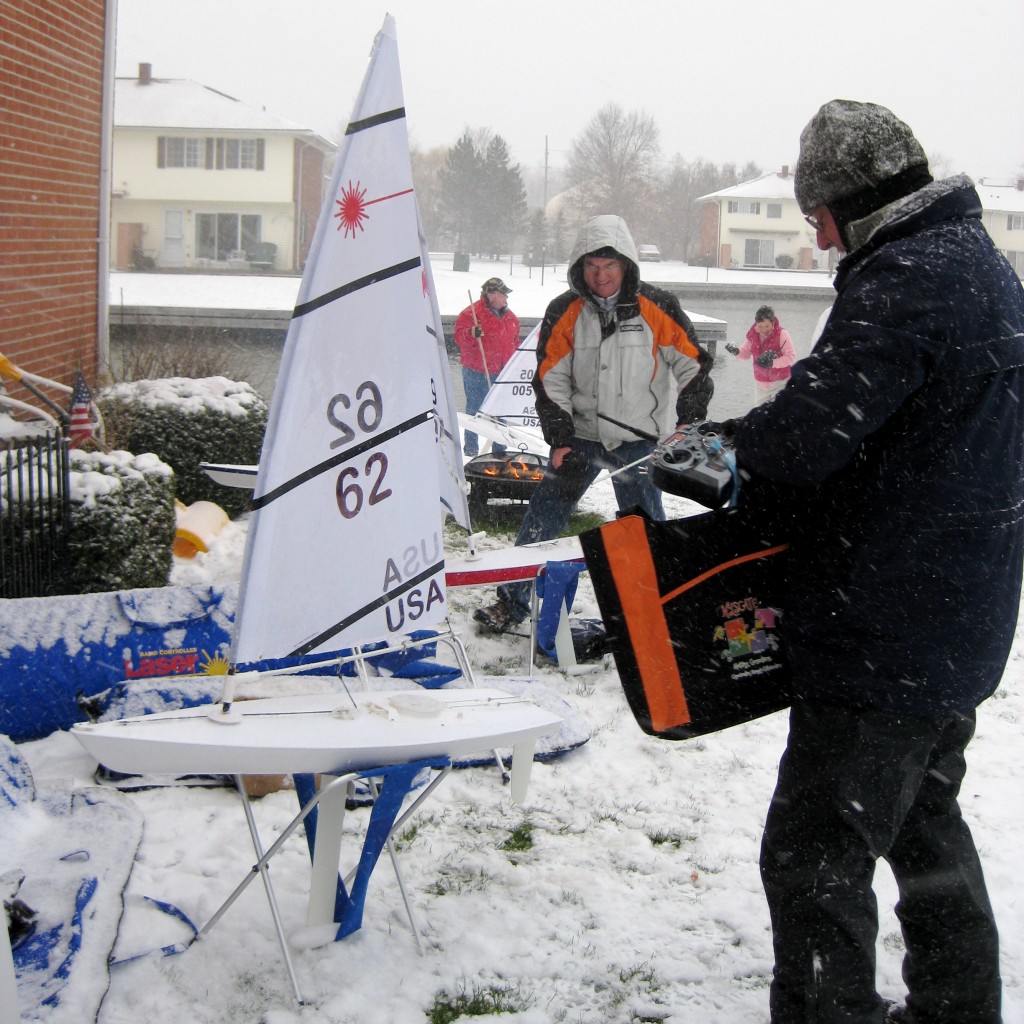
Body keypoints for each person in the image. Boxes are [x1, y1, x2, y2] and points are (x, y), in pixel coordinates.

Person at [721, 100, 1024, 1024]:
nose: (815, 236)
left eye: (816, 214)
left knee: (814, 854)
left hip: (883, 628)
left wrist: (728, 450)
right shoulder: (980, 265)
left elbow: (810, 437)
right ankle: (958, 1006)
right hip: (957, 620)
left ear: (853, 202)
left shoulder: (907, 281)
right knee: (926, 824)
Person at [474, 214, 714, 634]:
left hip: (639, 442)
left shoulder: (658, 306)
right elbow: (550, 379)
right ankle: (510, 603)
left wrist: (688, 424)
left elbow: (694, 365)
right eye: (591, 266)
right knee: (542, 518)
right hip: (580, 440)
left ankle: (658, 612)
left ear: (626, 265)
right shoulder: (564, 311)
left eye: (609, 266)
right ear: (579, 268)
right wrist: (560, 437)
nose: (600, 276)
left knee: (644, 529)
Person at [453, 277, 521, 456]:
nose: (506, 297)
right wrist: (470, 333)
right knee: (474, 411)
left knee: (501, 412)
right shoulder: (471, 315)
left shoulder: (511, 318)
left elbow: (515, 343)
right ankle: (470, 450)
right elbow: (458, 338)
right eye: (503, 294)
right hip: (476, 371)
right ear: (491, 295)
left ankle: (500, 449)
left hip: (502, 372)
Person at [724, 304, 796, 404]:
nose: (764, 330)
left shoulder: (782, 334)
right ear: (756, 323)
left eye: (767, 326)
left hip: (781, 382)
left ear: (773, 323)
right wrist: (736, 352)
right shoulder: (753, 334)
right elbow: (745, 354)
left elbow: (790, 356)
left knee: (779, 413)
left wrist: (772, 363)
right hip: (761, 384)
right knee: (759, 415)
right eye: (760, 326)